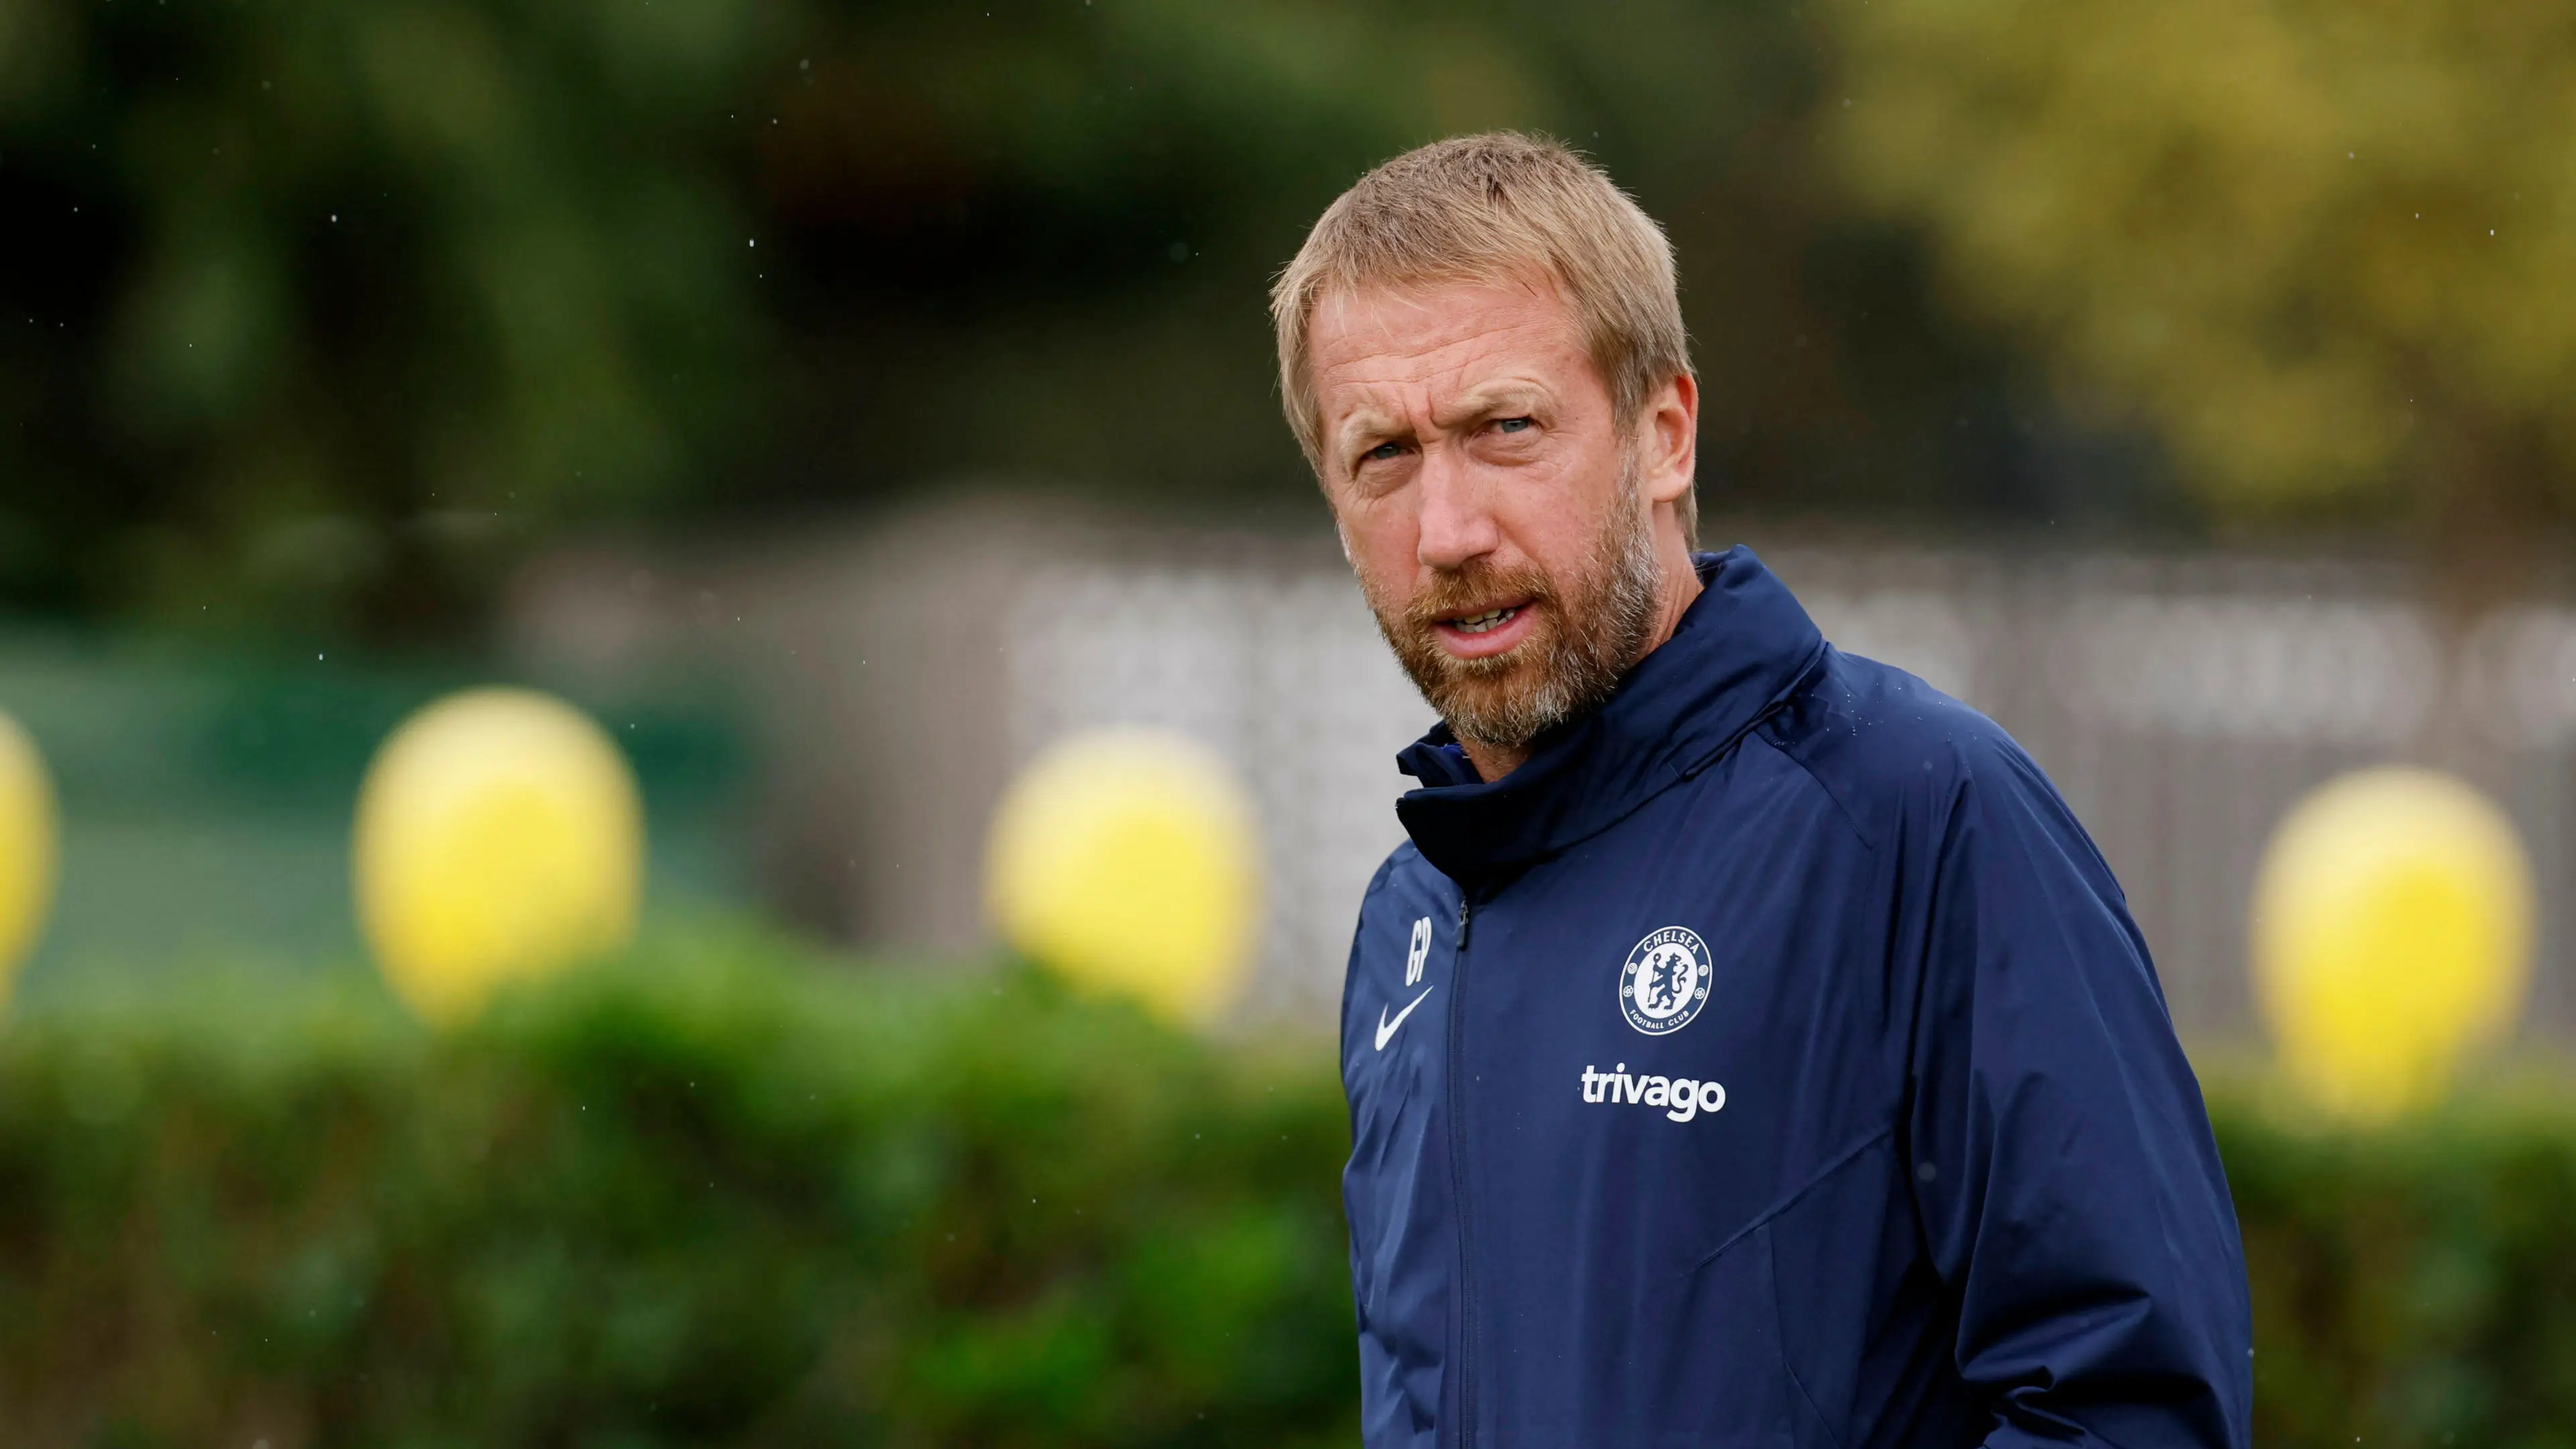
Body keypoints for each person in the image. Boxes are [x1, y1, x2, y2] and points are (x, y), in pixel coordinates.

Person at [1273, 132, 2253, 1448]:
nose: (1448, 532)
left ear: (1663, 436)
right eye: (1384, 454)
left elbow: (2131, 1408)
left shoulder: (1918, 815)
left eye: (1506, 429)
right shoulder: (1412, 913)